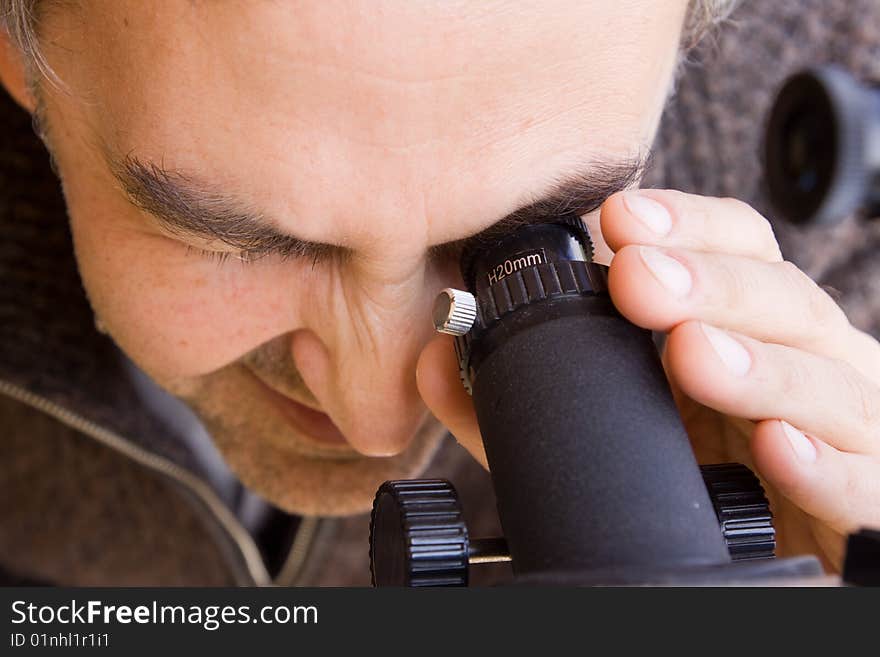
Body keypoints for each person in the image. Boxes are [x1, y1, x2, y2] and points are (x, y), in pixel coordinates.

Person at [0, 0, 877, 585]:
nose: (379, 417)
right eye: (234, 240)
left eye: (532, 231)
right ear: (19, 54)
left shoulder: (835, 144)